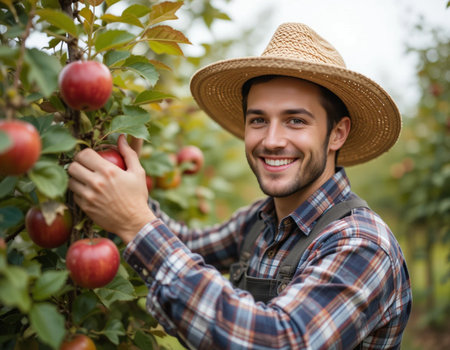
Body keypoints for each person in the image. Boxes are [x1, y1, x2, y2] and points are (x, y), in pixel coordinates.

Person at [68, 23, 412, 349]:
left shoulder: (362, 244)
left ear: (337, 133)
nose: (272, 140)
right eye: (259, 120)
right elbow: (182, 244)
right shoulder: (260, 222)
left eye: (295, 120)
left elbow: (277, 340)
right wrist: (127, 188)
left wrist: (136, 223)